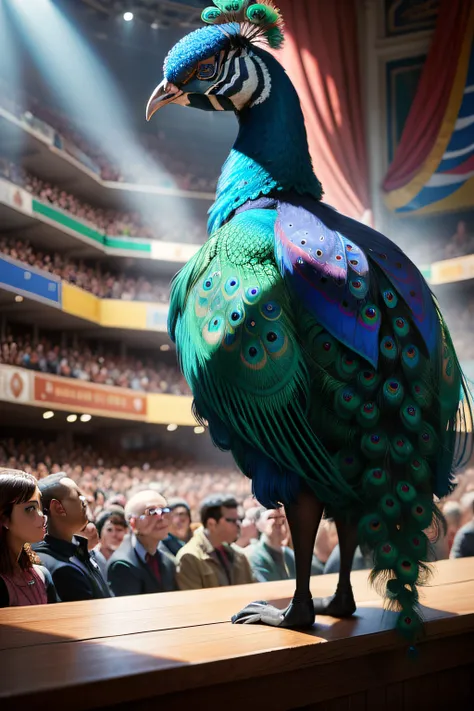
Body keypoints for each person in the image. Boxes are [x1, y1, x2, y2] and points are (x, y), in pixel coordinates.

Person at [34, 473, 111, 601]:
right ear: (58, 507)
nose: (85, 501)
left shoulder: (75, 549)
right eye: (79, 497)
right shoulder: (62, 569)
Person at [0, 469, 57, 607]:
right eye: (30, 509)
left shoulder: (42, 575)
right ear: (4, 519)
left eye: (39, 506)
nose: (41, 516)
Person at [176, 494, 254, 590]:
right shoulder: (190, 557)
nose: (238, 525)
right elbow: (193, 602)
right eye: (231, 520)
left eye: (239, 519)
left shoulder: (238, 556)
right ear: (211, 524)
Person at [107, 490, 176, 596]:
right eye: (151, 512)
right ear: (133, 523)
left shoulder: (167, 557)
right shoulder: (122, 565)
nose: (160, 518)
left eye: (164, 510)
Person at [246, 508, 295, 582]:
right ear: (258, 525)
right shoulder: (256, 556)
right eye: (271, 517)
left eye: (281, 517)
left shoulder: (290, 555)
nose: (278, 522)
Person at [93, 509, 128, 578]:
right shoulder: (90, 559)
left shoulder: (129, 560)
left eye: (119, 530)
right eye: (109, 530)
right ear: (99, 533)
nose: (114, 535)